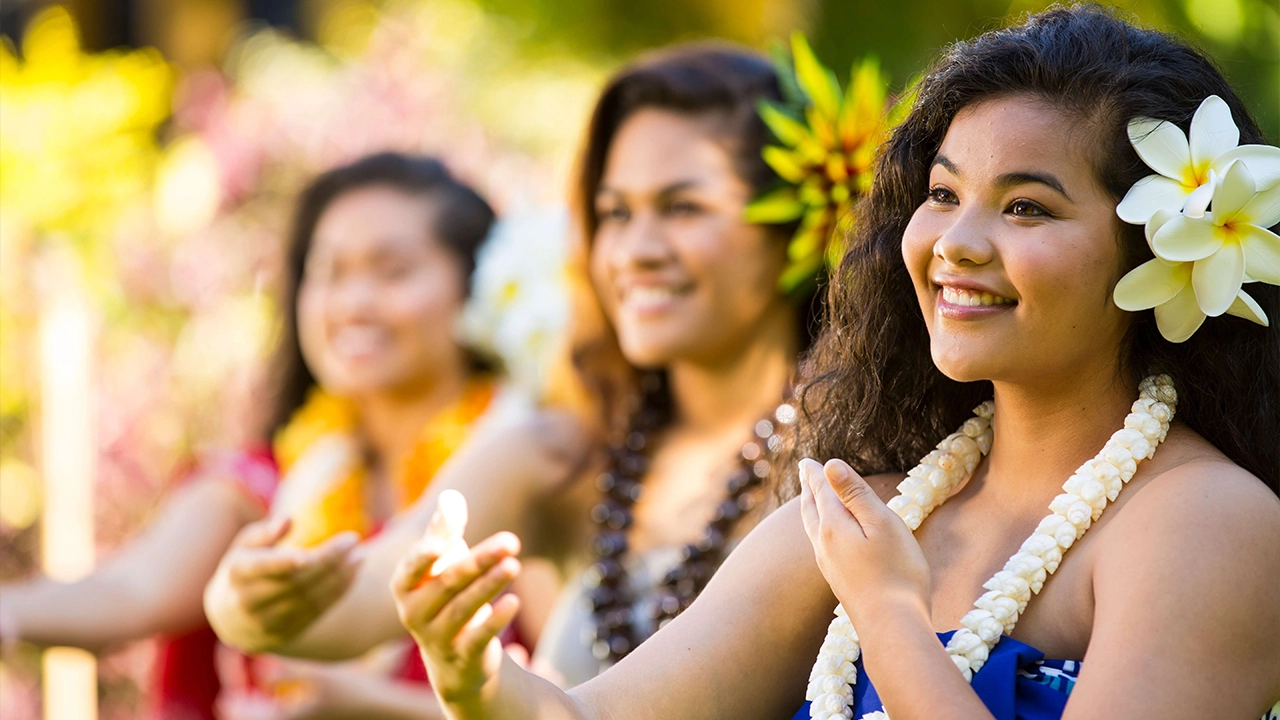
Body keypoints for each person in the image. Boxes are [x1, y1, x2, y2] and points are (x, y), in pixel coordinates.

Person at [391, 7, 1280, 719]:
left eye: (1027, 208)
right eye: (942, 194)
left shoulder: (1208, 522)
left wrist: (890, 616)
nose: (954, 244)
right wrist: (468, 673)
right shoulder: (863, 517)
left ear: (1159, 253)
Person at [204, 42, 852, 687]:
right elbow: (367, 594)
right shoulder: (562, 456)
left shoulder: (852, 471)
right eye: (614, 213)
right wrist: (239, 607)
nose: (635, 250)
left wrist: (476, 687)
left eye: (683, 207)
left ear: (801, 226)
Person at [0, 151, 503, 720]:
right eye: (330, 272)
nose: (353, 303)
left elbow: (575, 699)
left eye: (393, 272)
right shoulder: (263, 489)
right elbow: (131, 592)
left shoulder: (531, 466)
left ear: (479, 285)